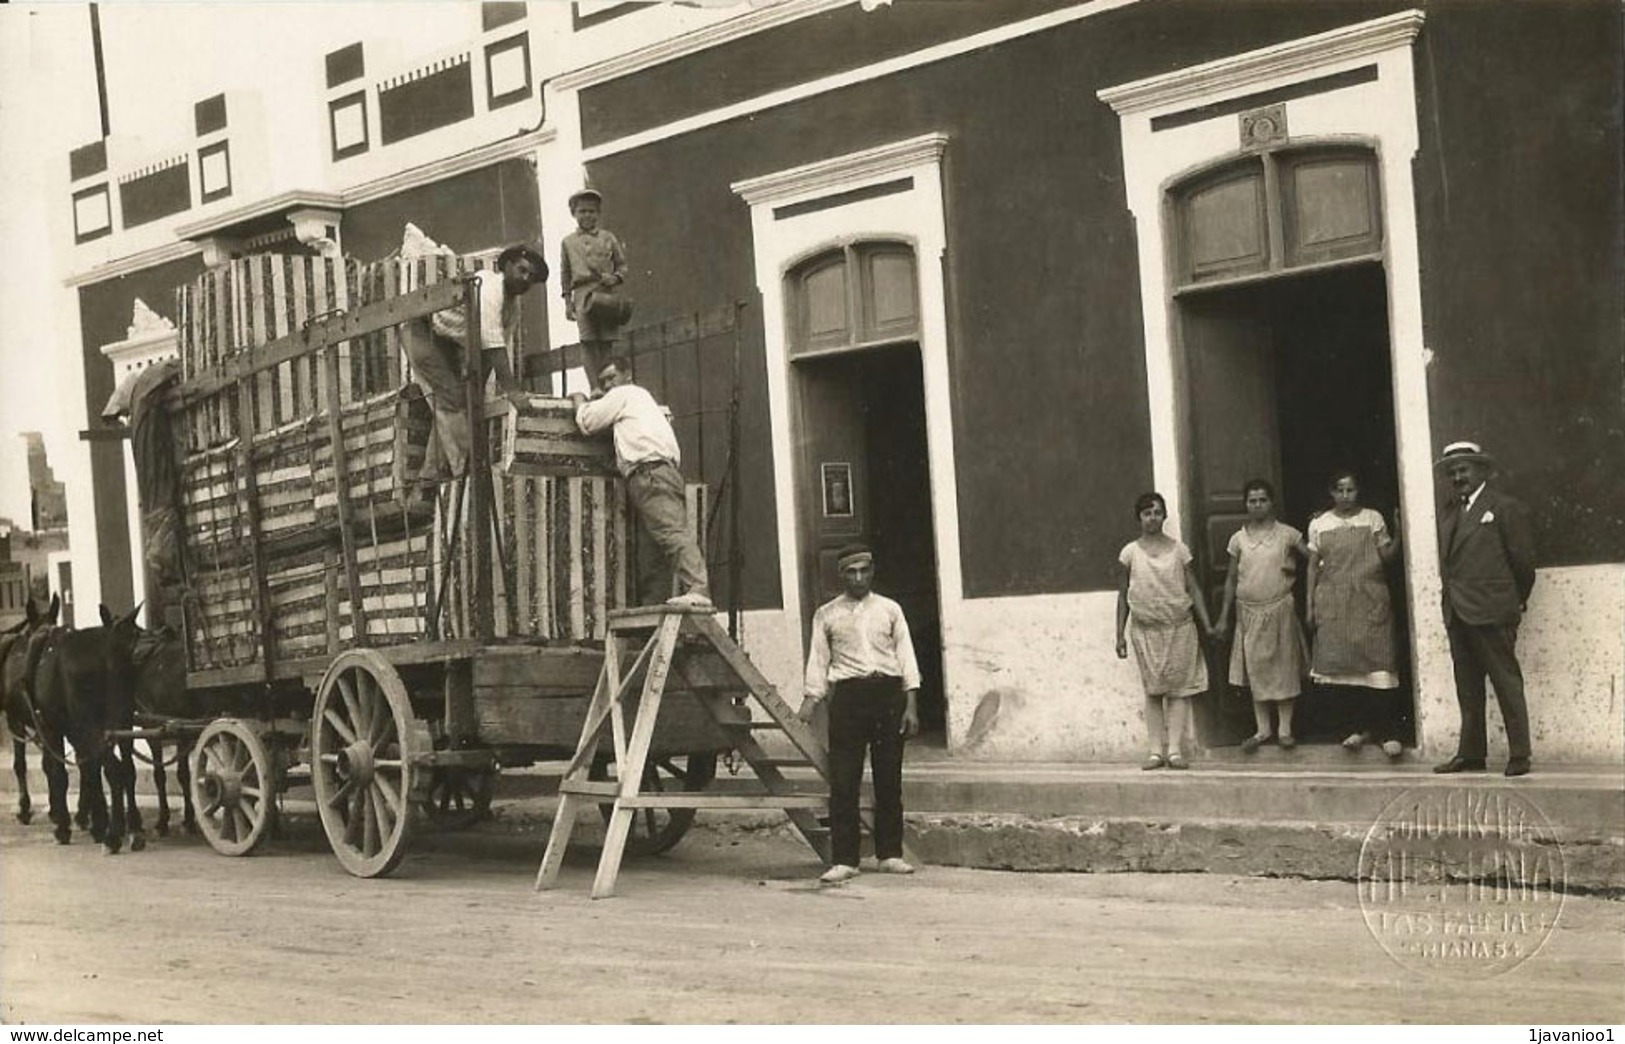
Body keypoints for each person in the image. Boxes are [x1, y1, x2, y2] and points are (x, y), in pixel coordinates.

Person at [797, 545, 921, 883]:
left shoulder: (890, 610)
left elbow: (906, 657)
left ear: (872, 571)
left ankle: (890, 855)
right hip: (849, 699)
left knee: (888, 779)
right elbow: (818, 661)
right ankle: (845, 859)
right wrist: (811, 701)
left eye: (863, 570)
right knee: (844, 781)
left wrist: (910, 705)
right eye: (850, 572)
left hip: (888, 696)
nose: (858, 578)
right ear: (841, 575)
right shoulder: (827, 615)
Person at [570, 357, 711, 609]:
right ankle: (652, 610)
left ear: (628, 376)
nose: (608, 385)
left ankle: (699, 587)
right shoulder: (642, 403)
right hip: (655, 474)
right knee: (653, 553)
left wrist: (580, 399)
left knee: (671, 533)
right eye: (603, 382)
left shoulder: (625, 394)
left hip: (650, 475)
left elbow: (588, 422)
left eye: (612, 378)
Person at [1432, 441, 1536, 777]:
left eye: (1464, 469)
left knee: (1506, 681)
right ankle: (1471, 753)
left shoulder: (1504, 507)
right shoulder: (1450, 511)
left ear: (1480, 471)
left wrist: (1514, 599)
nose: (1458, 476)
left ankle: (1520, 753)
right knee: (1467, 685)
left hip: (1493, 609)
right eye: (1453, 472)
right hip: (1458, 611)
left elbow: (1523, 562)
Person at [401, 243, 547, 480]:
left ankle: (431, 473)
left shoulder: (512, 307)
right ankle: (466, 473)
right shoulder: (490, 288)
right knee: (452, 398)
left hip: (450, 343)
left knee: (465, 400)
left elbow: (494, 350)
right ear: (507, 266)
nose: (525, 279)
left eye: (531, 277)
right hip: (423, 332)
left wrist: (476, 390)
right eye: (522, 271)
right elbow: (492, 343)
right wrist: (512, 391)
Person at [1305, 469, 1404, 758]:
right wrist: (1310, 605)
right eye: (1340, 490)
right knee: (1343, 669)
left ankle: (1386, 732)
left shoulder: (1372, 518)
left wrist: (1398, 532)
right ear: (1331, 493)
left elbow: (1386, 557)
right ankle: (1355, 730)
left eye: (1350, 490)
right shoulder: (1319, 524)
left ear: (1358, 491)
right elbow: (1312, 566)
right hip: (1334, 601)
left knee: (1379, 666)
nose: (1345, 496)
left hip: (1370, 599)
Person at [1115, 492, 1214, 770]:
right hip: (1146, 630)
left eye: (1157, 512)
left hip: (1179, 627)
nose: (1152, 518)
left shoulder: (1179, 550)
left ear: (1164, 515)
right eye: (1147, 513)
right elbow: (1123, 595)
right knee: (1154, 690)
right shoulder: (1130, 553)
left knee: (1179, 690)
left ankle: (1174, 751)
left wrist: (1206, 623)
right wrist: (1119, 634)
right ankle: (1155, 751)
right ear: (1139, 518)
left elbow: (1193, 588)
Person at [1215, 478, 1310, 752]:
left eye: (1262, 499)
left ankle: (1284, 729)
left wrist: (1296, 573)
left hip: (1280, 608)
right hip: (1249, 613)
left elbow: (1314, 559)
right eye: (1252, 500)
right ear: (1246, 504)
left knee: (1283, 668)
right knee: (1256, 670)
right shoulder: (1238, 539)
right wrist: (1223, 617)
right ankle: (1262, 729)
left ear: (1271, 502)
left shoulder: (1288, 534)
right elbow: (1231, 579)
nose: (1257, 505)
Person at [559, 188, 629, 377]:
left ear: (598, 213)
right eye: (582, 211)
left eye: (591, 211)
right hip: (582, 295)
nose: (587, 215)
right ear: (574, 213)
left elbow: (622, 266)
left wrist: (614, 278)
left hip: (606, 293)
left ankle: (607, 383)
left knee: (606, 341)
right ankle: (594, 386)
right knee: (588, 341)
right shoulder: (568, 242)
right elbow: (565, 274)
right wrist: (567, 302)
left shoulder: (608, 238)